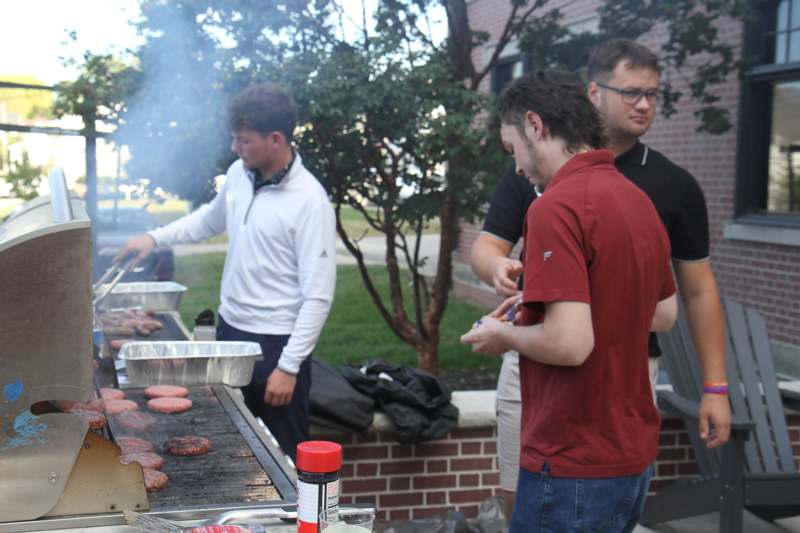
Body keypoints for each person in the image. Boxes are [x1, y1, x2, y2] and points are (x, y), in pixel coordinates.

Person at [470, 38, 732, 517]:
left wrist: (501, 333)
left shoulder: (554, 203)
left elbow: (571, 344)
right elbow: (665, 313)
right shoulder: (637, 199)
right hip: (628, 450)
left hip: (570, 452)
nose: (517, 165)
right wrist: (555, 297)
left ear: (534, 124)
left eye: (514, 150)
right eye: (632, 91)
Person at [115, 84, 337, 460]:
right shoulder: (239, 174)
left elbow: (318, 296)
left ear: (276, 139)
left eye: (243, 140)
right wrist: (154, 237)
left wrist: (288, 366)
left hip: (276, 345)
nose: (235, 147)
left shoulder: (310, 202)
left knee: (282, 457)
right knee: (230, 442)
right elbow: (208, 221)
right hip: (230, 331)